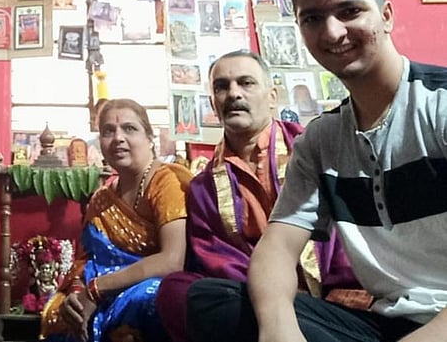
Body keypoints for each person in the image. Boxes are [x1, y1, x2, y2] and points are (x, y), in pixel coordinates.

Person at [188, 0, 447, 342]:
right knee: (213, 298)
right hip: (386, 322)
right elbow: (277, 247)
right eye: (312, 18)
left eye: (349, 11)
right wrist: (278, 327)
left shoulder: (439, 105)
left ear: (387, 15)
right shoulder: (321, 140)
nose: (332, 33)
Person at [155, 51, 361, 342]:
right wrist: (266, 290)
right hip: (256, 300)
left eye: (246, 83)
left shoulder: (316, 151)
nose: (233, 93)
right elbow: (218, 259)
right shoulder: (203, 187)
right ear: (213, 103)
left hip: (326, 301)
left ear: (272, 96)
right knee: (174, 291)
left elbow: (347, 236)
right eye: (221, 87)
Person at [40, 98, 192, 342]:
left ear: (149, 138)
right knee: (61, 311)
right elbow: (85, 259)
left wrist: (97, 289)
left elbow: (173, 260)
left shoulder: (164, 184)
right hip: (99, 287)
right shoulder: (102, 198)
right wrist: (78, 291)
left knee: (143, 300)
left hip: (145, 285)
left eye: (129, 129)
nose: (118, 138)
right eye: (108, 131)